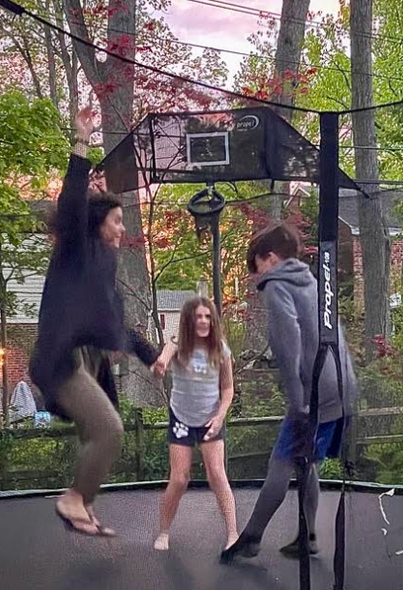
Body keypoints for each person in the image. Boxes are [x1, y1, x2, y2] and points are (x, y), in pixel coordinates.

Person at [30, 103, 159, 536]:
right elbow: (70, 202)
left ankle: (80, 504)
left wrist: (152, 357)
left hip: (88, 362)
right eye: (117, 220)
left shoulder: (103, 269)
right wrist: (82, 142)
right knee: (109, 430)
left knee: (99, 435)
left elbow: (121, 324)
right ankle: (74, 500)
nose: (123, 228)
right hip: (62, 360)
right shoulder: (75, 248)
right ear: (97, 222)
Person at [221, 222, 357, 563]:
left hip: (314, 393)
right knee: (306, 463)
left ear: (269, 258)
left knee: (280, 464)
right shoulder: (311, 282)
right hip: (341, 384)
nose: (256, 277)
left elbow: (288, 343)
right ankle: (308, 536)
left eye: (256, 266)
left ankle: (251, 538)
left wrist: (298, 403)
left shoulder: (278, 285)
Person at [152, 296, 238, 551]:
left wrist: (220, 415)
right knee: (179, 478)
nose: (203, 321)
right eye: (199, 316)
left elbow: (228, 387)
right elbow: (164, 358)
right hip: (182, 418)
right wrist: (160, 365)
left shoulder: (220, 349)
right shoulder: (179, 345)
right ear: (190, 320)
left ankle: (233, 534)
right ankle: (164, 532)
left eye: (207, 317)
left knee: (217, 474)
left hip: (211, 417)